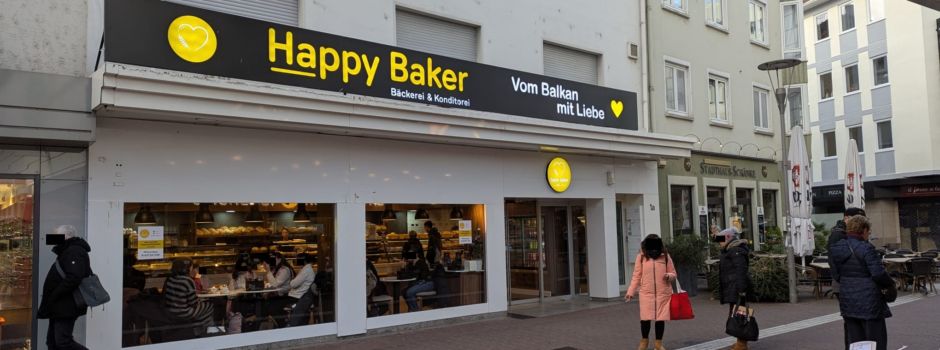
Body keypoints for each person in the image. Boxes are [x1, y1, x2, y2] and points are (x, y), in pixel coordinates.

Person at [829, 215, 893, 350]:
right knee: (875, 339)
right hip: (869, 300)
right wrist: (890, 284)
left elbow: (836, 273)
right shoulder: (866, 248)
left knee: (854, 339)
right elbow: (878, 274)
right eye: (868, 230)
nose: (869, 233)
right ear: (863, 230)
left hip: (847, 298)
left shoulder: (836, 248)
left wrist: (848, 283)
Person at [38, 225, 91, 350]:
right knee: (52, 342)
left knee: (63, 342)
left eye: (56, 235)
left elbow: (74, 277)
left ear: (66, 236)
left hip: (66, 305)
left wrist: (55, 293)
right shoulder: (67, 250)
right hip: (59, 305)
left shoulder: (75, 251)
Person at [625, 234, 676, 350]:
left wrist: (669, 276)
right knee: (645, 319)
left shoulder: (665, 256)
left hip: (663, 293)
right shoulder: (641, 257)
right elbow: (636, 276)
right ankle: (644, 341)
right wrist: (630, 292)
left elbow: (673, 273)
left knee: (660, 319)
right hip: (646, 293)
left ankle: (658, 344)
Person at [715, 227, 752, 350]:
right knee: (736, 315)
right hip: (734, 287)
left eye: (721, 240)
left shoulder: (736, 250)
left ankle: (742, 344)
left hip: (737, 289)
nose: (719, 243)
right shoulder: (731, 249)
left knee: (741, 315)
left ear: (728, 238)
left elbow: (741, 271)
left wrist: (741, 290)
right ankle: (740, 341)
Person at [163, 260, 215, 336]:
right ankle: (205, 330)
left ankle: (201, 329)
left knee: (203, 311)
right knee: (209, 305)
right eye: (191, 267)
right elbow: (193, 303)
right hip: (184, 312)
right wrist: (201, 300)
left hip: (170, 311)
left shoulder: (169, 278)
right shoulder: (187, 280)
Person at [828, 207, 866, 297]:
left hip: (856, 280)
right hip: (844, 281)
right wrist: (840, 278)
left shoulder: (857, 232)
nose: (860, 222)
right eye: (856, 219)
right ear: (846, 218)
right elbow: (833, 259)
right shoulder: (838, 234)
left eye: (862, 219)